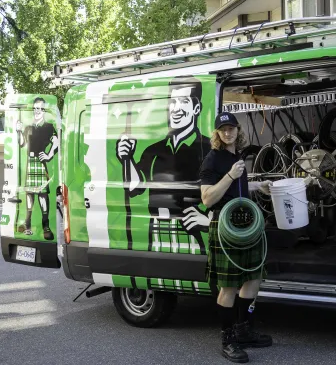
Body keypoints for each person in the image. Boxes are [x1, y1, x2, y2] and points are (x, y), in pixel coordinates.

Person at [199, 112, 273, 363]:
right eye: (223, 129)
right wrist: (230, 174)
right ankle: (227, 340)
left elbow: (236, 189)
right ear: (217, 133)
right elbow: (207, 198)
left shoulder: (235, 156)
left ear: (238, 131)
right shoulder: (213, 160)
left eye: (231, 128)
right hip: (225, 225)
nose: (228, 133)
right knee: (228, 286)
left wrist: (257, 185)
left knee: (252, 279)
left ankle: (244, 331)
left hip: (246, 223)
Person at [116, 75, 213, 253]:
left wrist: (209, 220)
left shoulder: (208, 149)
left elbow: (222, 192)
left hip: (192, 232)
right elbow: (134, 187)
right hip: (158, 231)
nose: (175, 108)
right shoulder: (153, 150)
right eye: (172, 101)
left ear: (196, 108)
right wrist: (127, 158)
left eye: (183, 101)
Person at [16, 97, 59, 240]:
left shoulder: (48, 126)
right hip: (30, 161)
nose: (36, 111)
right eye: (35, 108)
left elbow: (56, 142)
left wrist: (48, 155)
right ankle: (27, 224)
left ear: (44, 110)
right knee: (29, 194)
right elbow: (22, 144)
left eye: (39, 108)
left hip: (40, 162)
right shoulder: (28, 127)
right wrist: (18, 131)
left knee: (42, 194)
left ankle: (46, 226)